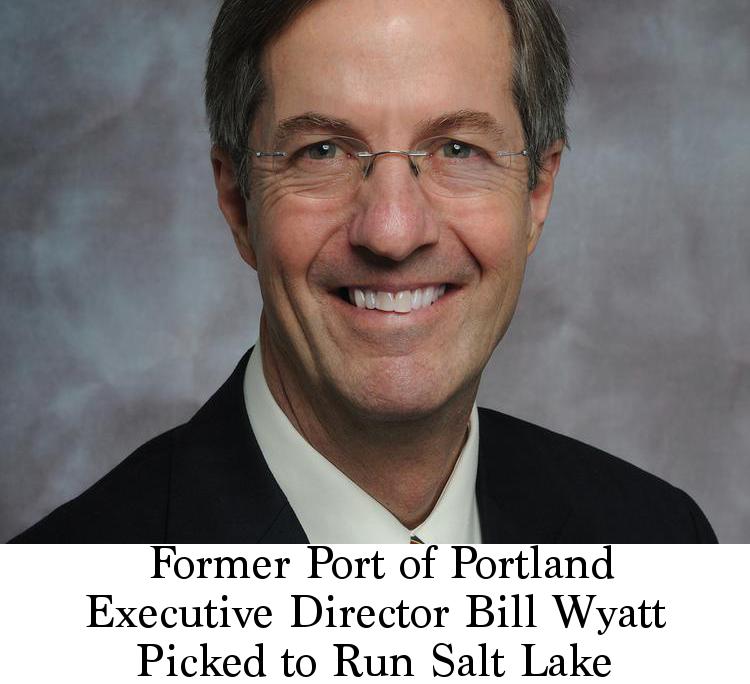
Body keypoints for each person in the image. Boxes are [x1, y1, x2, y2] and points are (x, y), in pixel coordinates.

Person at [12, 0, 716, 543]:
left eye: (458, 149)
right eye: (322, 151)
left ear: (537, 194)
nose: (392, 230)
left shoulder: (659, 541)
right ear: (237, 202)